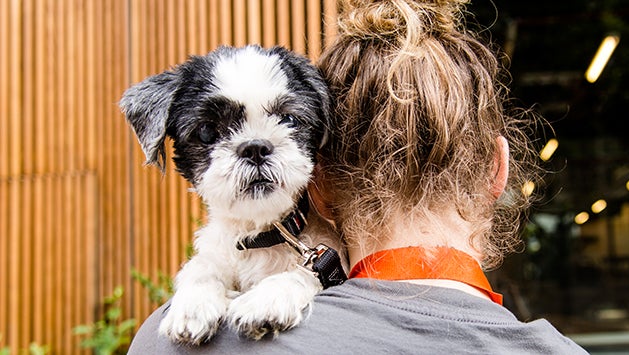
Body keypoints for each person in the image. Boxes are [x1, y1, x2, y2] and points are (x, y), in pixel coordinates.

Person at [128, 0, 588, 353]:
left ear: (319, 179)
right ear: (498, 170)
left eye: (288, 123)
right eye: (211, 132)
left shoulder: (166, 342)